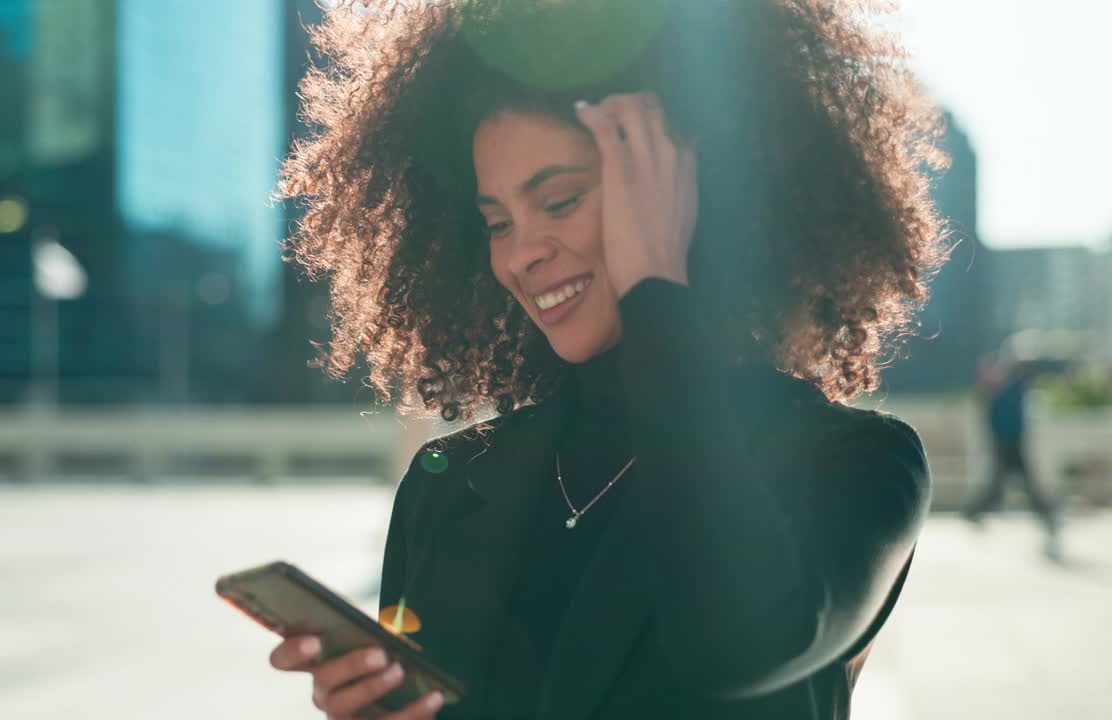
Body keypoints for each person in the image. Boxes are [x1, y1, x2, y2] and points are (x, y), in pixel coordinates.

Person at [267, 1, 949, 717]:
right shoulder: (448, 488)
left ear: (685, 190)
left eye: (559, 200)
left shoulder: (857, 465)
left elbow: (735, 643)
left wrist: (656, 281)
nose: (521, 253)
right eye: (496, 222)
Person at [963, 351, 1064, 562]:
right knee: (1020, 482)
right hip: (1006, 442)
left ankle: (975, 511)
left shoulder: (1010, 388)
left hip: (1010, 442)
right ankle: (1046, 515)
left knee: (1001, 482)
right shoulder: (1002, 390)